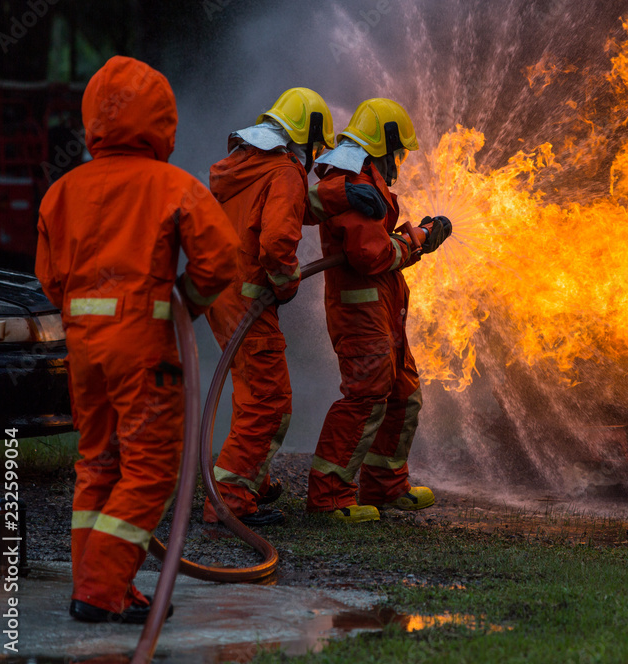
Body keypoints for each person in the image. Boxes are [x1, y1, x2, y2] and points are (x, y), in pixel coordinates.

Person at [35, 55, 238, 623]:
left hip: (82, 349)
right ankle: (100, 591)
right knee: (149, 468)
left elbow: (50, 280)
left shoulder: (62, 192)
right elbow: (220, 260)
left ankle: (103, 586)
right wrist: (183, 307)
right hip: (143, 347)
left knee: (97, 463)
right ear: (160, 120)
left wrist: (87, 315)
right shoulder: (172, 186)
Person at [306, 98, 452, 522]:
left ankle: (385, 486)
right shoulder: (352, 182)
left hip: (383, 310)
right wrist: (419, 238)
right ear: (384, 143)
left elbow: (378, 246)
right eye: (398, 152)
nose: (399, 162)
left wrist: (416, 238)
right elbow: (371, 255)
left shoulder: (362, 180)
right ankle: (329, 498)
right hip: (361, 314)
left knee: (403, 395)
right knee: (366, 398)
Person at [202, 88, 336, 526]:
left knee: (251, 394)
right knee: (269, 402)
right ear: (306, 137)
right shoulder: (285, 172)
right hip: (248, 302)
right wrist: (286, 282)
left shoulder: (242, 167)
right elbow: (277, 243)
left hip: (222, 298)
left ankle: (249, 481)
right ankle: (229, 502)